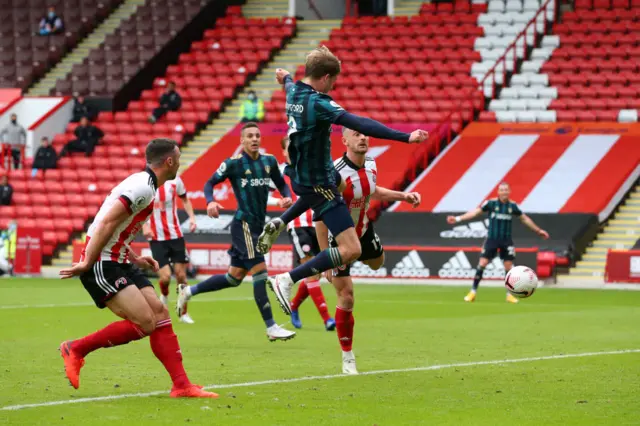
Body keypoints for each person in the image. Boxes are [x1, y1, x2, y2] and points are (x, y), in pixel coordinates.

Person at [255, 46, 428, 316]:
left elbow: (289, 81)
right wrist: (405, 137)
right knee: (351, 248)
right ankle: (287, 279)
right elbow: (358, 121)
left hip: (301, 175)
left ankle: (282, 221)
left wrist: (285, 76)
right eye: (332, 81)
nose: (333, 86)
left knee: (342, 184)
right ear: (324, 77)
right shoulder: (319, 102)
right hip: (319, 180)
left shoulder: (293, 91)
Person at [58, 138, 217, 398]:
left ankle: (182, 385)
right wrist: (88, 261)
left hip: (118, 258)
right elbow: (107, 222)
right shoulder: (143, 187)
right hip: (102, 262)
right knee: (146, 323)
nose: (179, 163)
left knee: (160, 312)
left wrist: (134, 257)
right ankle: (75, 349)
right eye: (178, 158)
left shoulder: (146, 185)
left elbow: (117, 227)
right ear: (169, 161)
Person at [176, 122, 296, 341]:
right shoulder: (233, 164)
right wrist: (210, 202)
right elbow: (209, 184)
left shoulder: (269, 162)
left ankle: (188, 292)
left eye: (257, 135)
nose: (254, 139)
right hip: (244, 226)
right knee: (260, 272)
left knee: (234, 278)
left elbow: (282, 183)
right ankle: (271, 326)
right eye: (249, 136)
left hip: (258, 227)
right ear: (241, 140)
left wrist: (286, 196)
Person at [315, 127, 421, 374]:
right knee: (347, 295)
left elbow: (372, 190)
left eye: (365, 134)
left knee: (377, 262)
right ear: (344, 141)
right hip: (337, 239)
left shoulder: (371, 164)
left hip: (363, 232)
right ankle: (348, 356)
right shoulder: (334, 173)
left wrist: (403, 196)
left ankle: (358, 257)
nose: (362, 137)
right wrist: (325, 259)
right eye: (356, 134)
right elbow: (319, 219)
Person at [268, 136, 335, 331]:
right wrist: (278, 202)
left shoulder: (308, 168)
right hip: (297, 226)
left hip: (318, 224)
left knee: (317, 272)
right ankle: (327, 319)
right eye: (289, 148)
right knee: (313, 274)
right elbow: (262, 194)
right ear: (283, 152)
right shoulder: (280, 172)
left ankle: (295, 306)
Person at [446, 182, 550, 304]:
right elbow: (475, 212)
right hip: (492, 239)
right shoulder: (490, 203)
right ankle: (473, 292)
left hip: (506, 240)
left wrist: (538, 230)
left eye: (506, 190)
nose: (504, 192)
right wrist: (458, 219)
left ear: (509, 192)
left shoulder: (512, 206)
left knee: (508, 266)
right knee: (482, 263)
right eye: (502, 190)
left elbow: (524, 219)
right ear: (498, 192)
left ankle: (509, 295)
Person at [142, 176, 197, 324]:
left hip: (175, 235)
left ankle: (183, 312)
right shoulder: (147, 182)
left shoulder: (176, 181)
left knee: (181, 276)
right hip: (156, 238)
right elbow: (140, 207)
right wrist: (144, 226)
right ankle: (164, 296)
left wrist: (192, 218)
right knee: (165, 277)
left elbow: (185, 199)